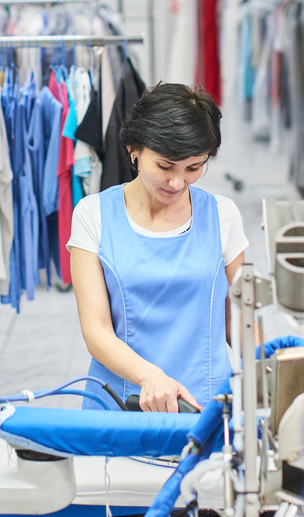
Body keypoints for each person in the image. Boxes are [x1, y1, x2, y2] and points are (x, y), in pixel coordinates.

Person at [67, 83, 248, 413]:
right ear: (134, 148)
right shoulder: (94, 215)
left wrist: (278, 372)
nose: (178, 183)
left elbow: (240, 322)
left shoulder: (223, 216)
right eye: (165, 166)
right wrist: (150, 378)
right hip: (123, 404)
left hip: (204, 410)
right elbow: (96, 331)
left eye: (194, 168)